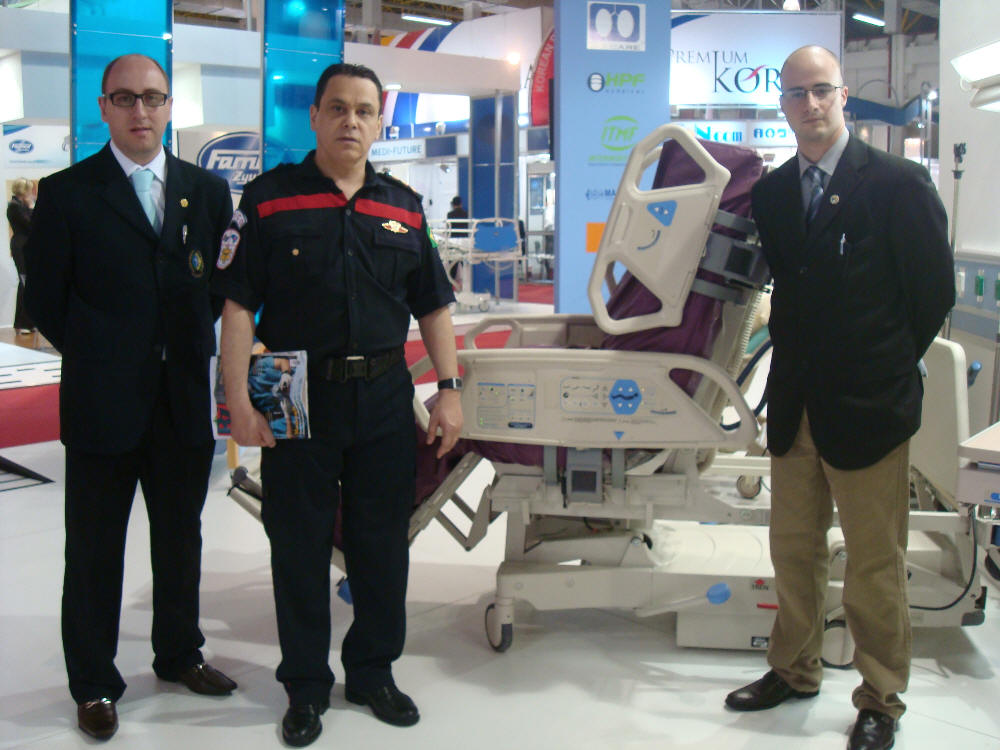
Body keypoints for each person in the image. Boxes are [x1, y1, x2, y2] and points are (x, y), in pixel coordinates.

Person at [214, 62, 462, 748]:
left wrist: (449, 390)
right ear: (316, 117)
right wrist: (238, 401)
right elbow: (237, 307)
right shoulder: (268, 199)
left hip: (384, 395)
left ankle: (373, 672)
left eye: (364, 110)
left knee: (382, 543)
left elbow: (434, 306)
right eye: (338, 108)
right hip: (291, 391)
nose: (351, 121)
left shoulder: (404, 206)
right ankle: (304, 685)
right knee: (296, 543)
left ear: (379, 122)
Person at [723, 46, 954, 750]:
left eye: (822, 90)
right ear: (783, 105)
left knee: (874, 561)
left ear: (843, 94)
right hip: (795, 404)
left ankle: (880, 697)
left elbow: (932, 294)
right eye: (797, 94)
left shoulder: (897, 183)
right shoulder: (773, 193)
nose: (811, 104)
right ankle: (793, 669)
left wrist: (883, 366)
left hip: (868, 408)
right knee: (793, 550)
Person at [24, 53, 238, 741]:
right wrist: (106, 353)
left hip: (183, 401)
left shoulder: (207, 191)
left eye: (152, 97)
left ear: (170, 105)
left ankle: (179, 655)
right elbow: (47, 301)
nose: (140, 111)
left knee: (180, 539)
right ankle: (93, 681)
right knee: (94, 550)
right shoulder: (67, 193)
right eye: (125, 98)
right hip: (102, 403)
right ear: (105, 108)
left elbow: (218, 291)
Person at [7, 177, 35, 334]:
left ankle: (26, 322)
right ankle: (24, 322)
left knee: (27, 283)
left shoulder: (19, 206)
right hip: (21, 247)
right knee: (26, 283)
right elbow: (30, 225)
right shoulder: (15, 207)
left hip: (25, 246)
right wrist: (31, 207)